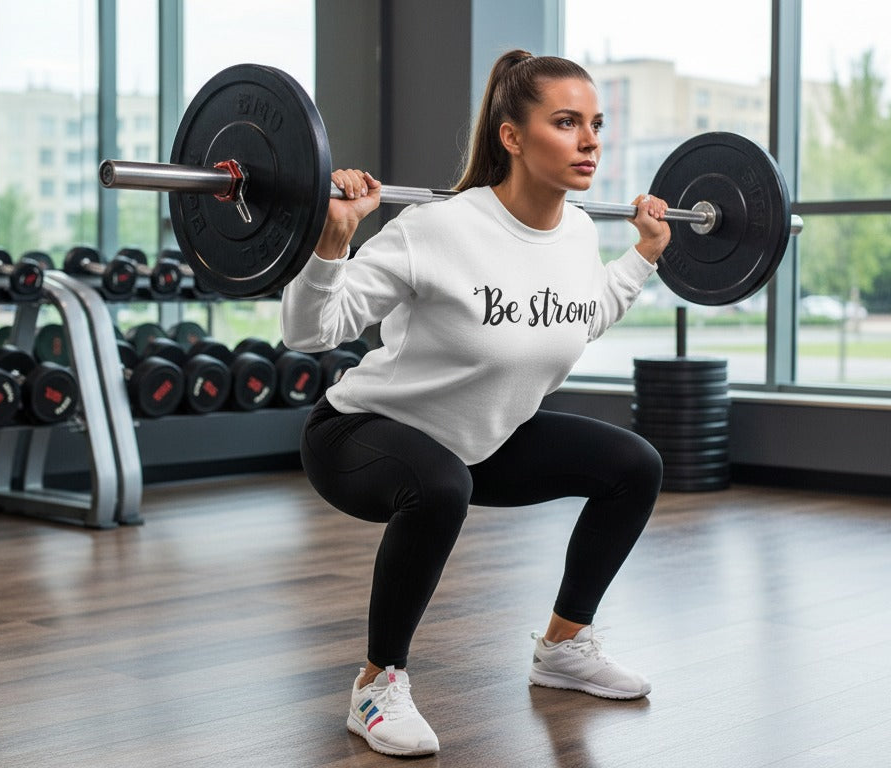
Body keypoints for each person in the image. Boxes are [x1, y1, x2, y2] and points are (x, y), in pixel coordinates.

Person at [280, 48, 670, 758]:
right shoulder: (439, 229)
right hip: (361, 434)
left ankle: (564, 646)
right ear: (512, 137)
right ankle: (376, 684)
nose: (590, 141)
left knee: (633, 464)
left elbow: (579, 314)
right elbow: (309, 332)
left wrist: (643, 256)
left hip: (478, 441)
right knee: (437, 484)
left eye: (596, 124)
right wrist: (333, 239)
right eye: (565, 122)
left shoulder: (579, 231)